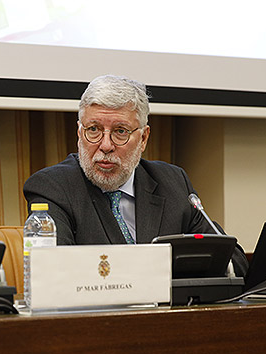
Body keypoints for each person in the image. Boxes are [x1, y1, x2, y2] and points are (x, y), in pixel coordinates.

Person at [23, 75, 248, 276]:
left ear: (143, 138)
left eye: (120, 131)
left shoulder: (172, 182)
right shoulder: (52, 188)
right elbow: (55, 272)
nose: (106, 145)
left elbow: (233, 259)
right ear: (79, 133)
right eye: (93, 130)